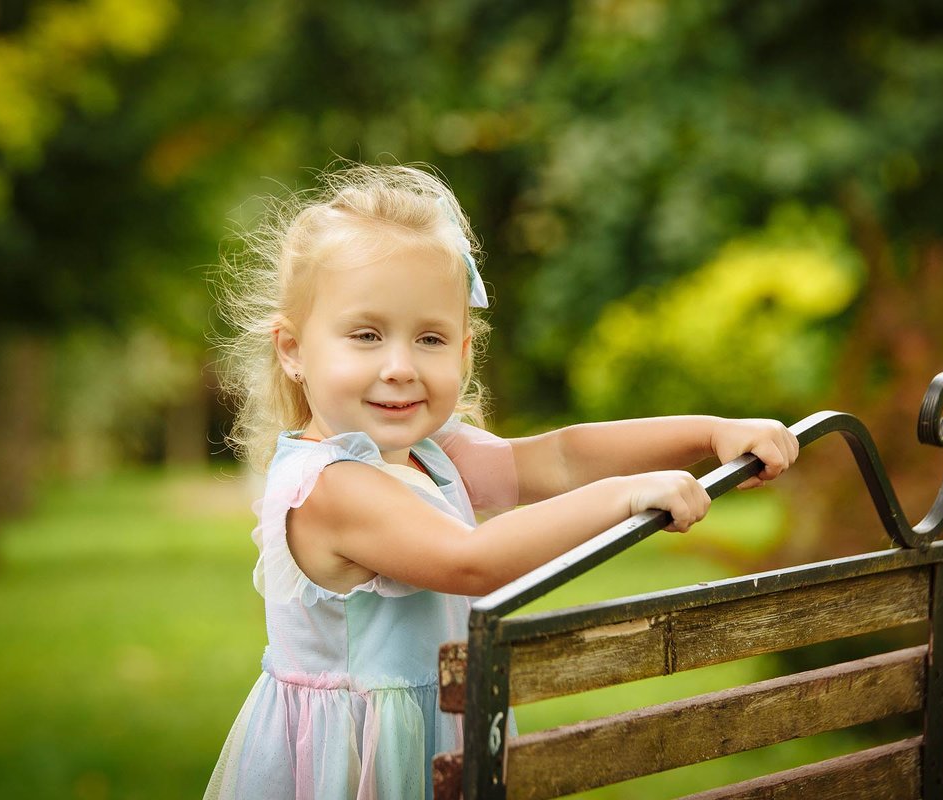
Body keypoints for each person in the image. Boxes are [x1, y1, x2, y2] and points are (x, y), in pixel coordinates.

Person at [204, 163, 799, 800]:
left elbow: (562, 458)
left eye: (430, 338)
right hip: (359, 764)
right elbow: (470, 562)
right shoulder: (328, 487)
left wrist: (709, 434)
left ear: (463, 352)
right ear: (292, 349)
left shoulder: (428, 452)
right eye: (366, 335)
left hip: (445, 733)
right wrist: (622, 497)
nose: (401, 366)